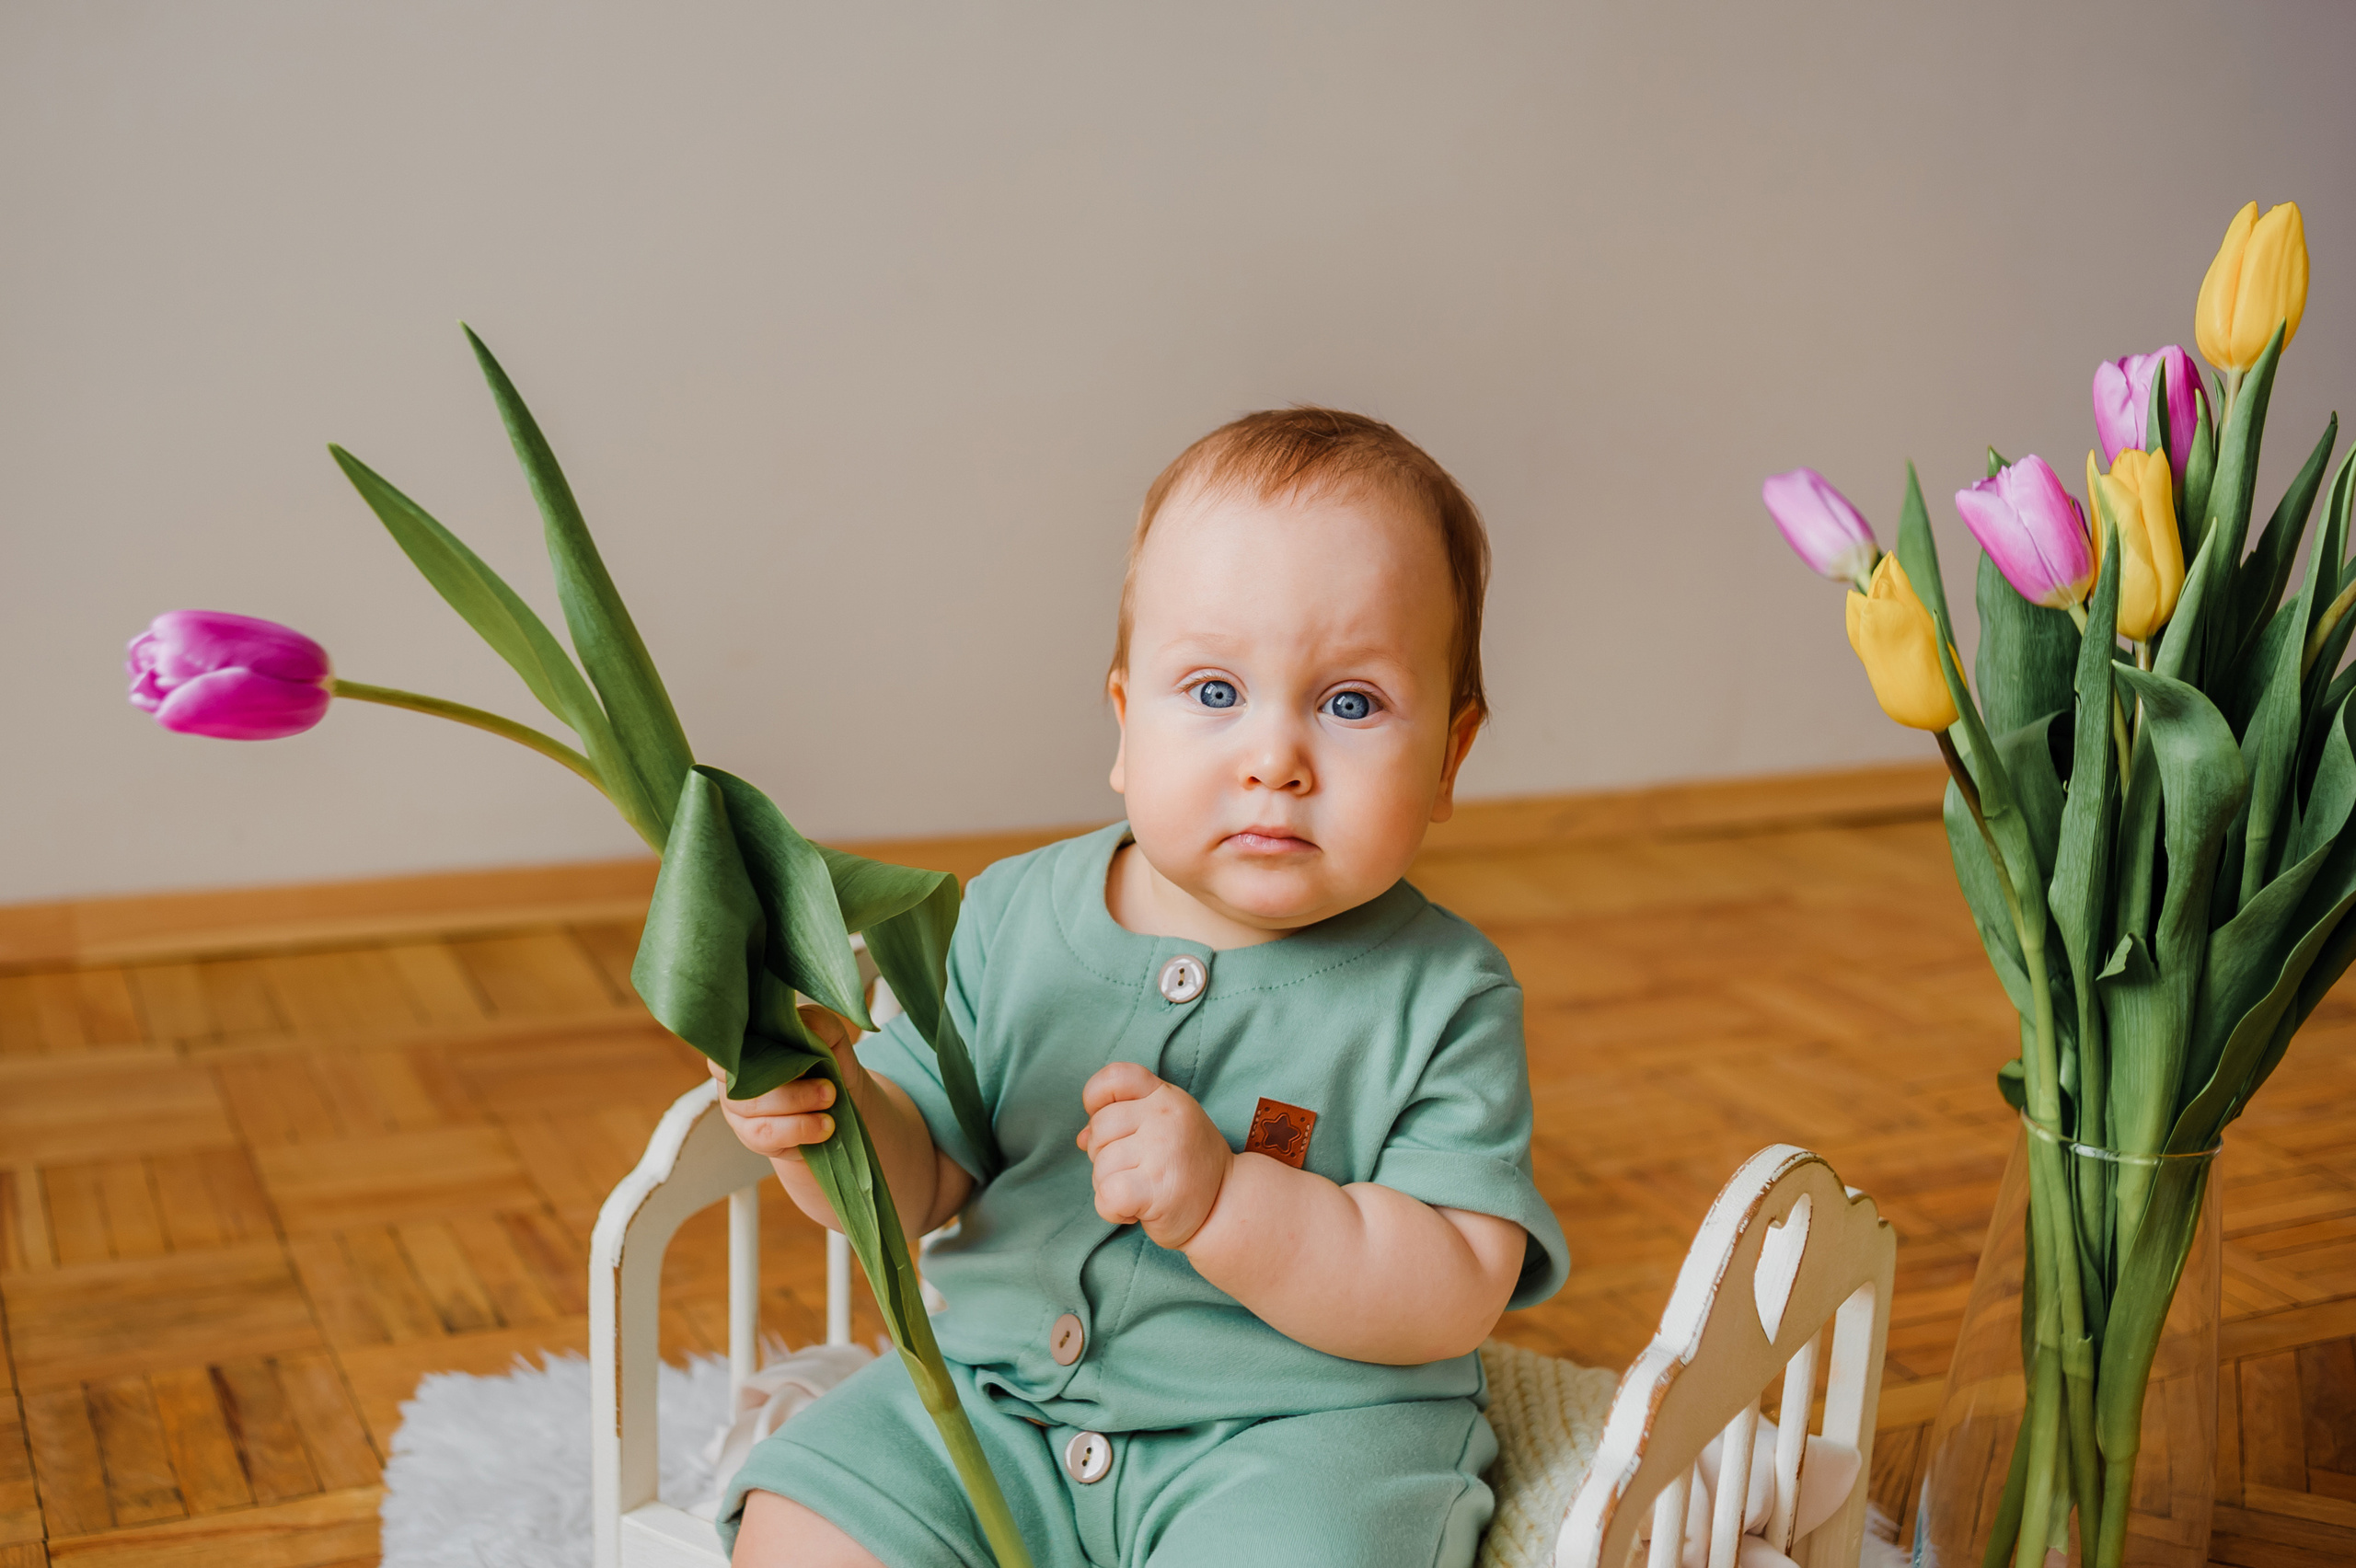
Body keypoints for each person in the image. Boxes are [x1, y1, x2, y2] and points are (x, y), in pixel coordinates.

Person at [712, 408, 1569, 1568]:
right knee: (803, 1517)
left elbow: (1455, 1287)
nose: (1274, 757)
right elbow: (919, 1177)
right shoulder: (1011, 915)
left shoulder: (1442, 994)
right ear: (1124, 725)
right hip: (998, 1406)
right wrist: (824, 1110)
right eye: (1215, 692)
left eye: (1350, 703)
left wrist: (1229, 1206)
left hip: (1297, 1444)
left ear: (1449, 760)